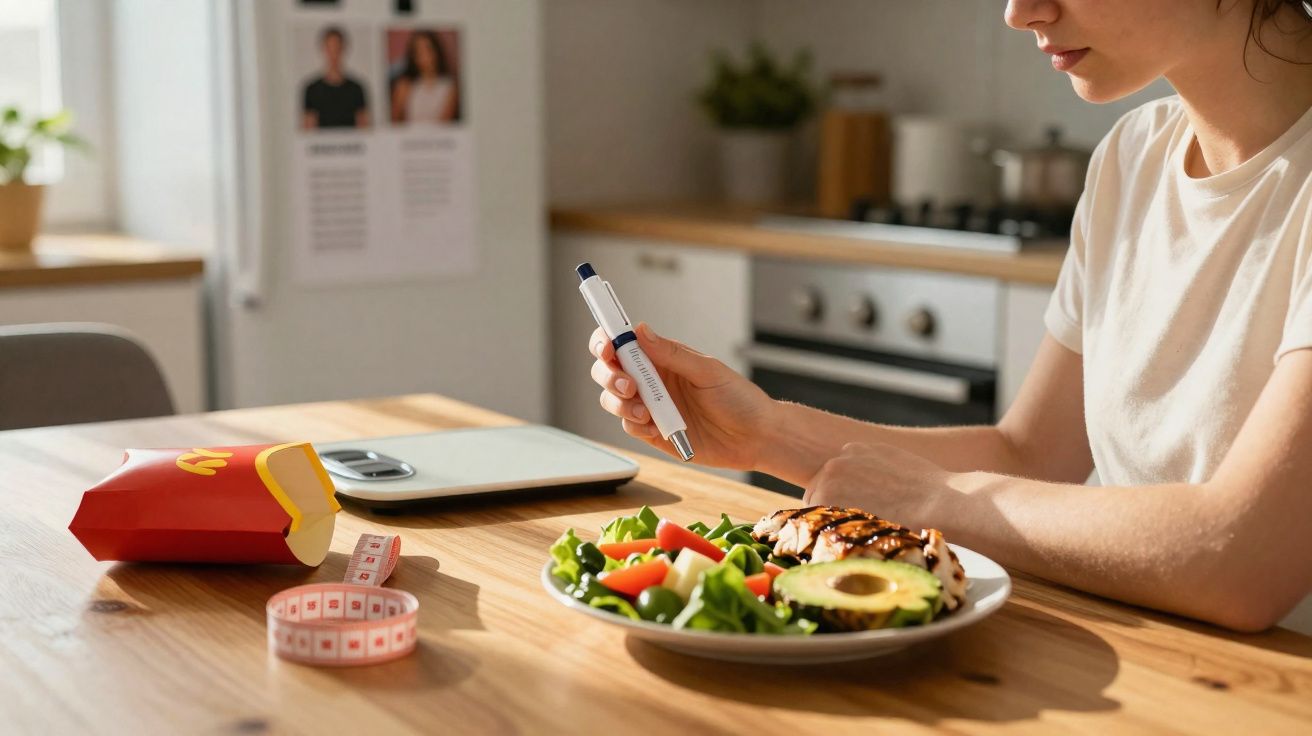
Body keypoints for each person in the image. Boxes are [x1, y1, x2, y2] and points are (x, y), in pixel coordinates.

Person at [587, 0, 1312, 633]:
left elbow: (1242, 560)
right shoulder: (1135, 155)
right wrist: (766, 432)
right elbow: (1030, 455)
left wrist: (941, 502)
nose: (1018, 11)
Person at [302, 26, 370, 130]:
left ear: (343, 49)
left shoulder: (356, 89)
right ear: (324, 49)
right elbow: (308, 130)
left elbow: (364, 128)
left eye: (337, 47)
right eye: (330, 47)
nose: (333, 53)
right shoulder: (312, 89)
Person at [390, 31, 460, 125]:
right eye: (418, 51)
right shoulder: (405, 85)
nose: (423, 56)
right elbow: (394, 123)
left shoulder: (450, 87)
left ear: (436, 51)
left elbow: (444, 123)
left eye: (427, 49)